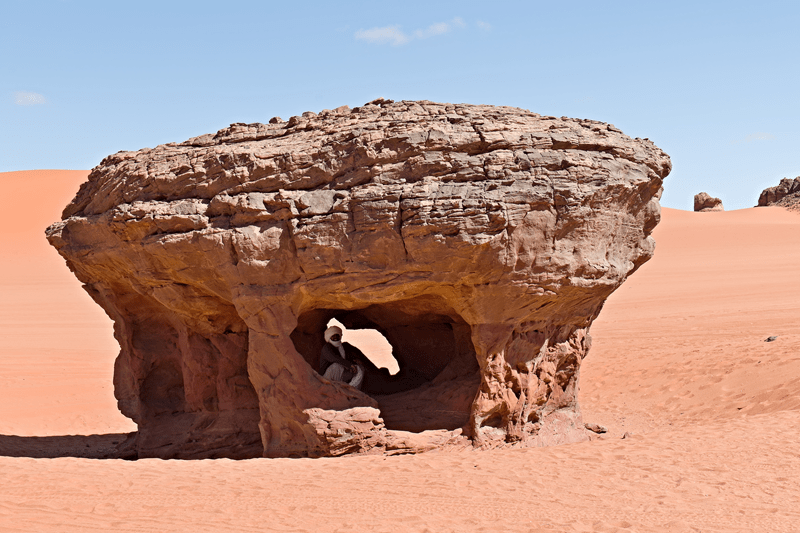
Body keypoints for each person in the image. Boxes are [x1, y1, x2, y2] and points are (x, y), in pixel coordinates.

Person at [319, 325, 365, 390]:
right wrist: (350, 365)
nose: (335, 338)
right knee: (336, 365)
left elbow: (347, 358)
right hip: (326, 377)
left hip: (341, 373)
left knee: (359, 369)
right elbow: (335, 358)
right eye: (333, 336)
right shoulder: (326, 348)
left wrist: (355, 362)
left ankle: (351, 389)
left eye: (337, 335)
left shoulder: (342, 347)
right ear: (329, 337)